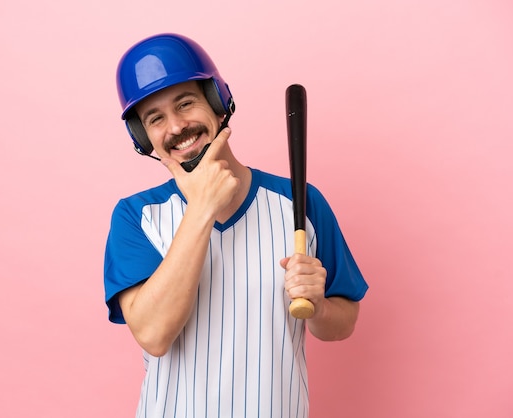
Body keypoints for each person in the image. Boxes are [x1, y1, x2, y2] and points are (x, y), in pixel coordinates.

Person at [104, 33, 368, 418]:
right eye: (155, 118)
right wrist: (202, 207)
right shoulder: (135, 216)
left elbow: (342, 323)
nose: (176, 127)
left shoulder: (301, 202)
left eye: (186, 103)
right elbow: (154, 334)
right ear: (144, 137)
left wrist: (320, 307)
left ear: (217, 103)